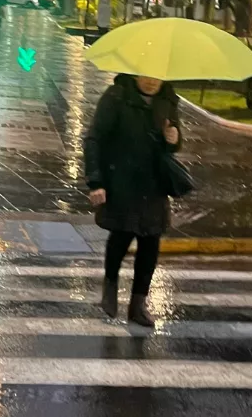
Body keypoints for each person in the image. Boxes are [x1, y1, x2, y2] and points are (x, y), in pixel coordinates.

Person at [84, 74, 182, 327]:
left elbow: (172, 142)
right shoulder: (116, 97)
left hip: (154, 184)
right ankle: (110, 288)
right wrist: (96, 181)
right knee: (121, 236)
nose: (151, 81)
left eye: (158, 76)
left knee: (150, 244)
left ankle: (138, 305)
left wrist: (174, 139)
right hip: (122, 181)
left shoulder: (168, 100)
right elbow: (95, 139)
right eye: (146, 75)